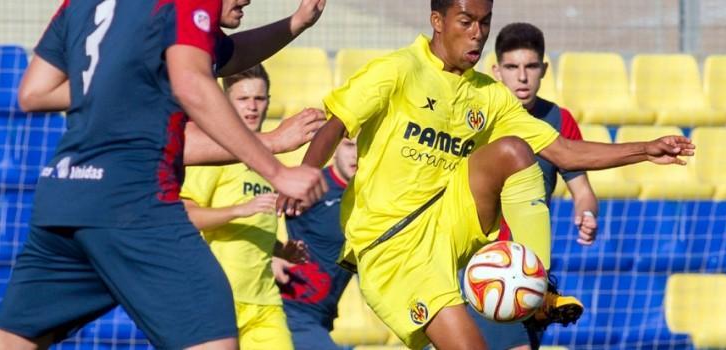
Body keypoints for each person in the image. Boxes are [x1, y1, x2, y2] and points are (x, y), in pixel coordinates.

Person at [277, 0, 695, 349]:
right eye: (466, 21)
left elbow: (562, 151)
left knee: (515, 150)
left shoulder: (489, 95)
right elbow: (336, 122)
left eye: (485, 22)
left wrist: (644, 149)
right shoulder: (397, 70)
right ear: (438, 22)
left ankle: (539, 288)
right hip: (393, 247)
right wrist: (305, 172)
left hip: (450, 222)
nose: (478, 33)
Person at [0, 0, 327, 348]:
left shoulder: (84, 4)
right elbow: (191, 83)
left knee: (9, 343)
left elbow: (34, 92)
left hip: (64, 201)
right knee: (214, 341)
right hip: (134, 204)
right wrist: (276, 169)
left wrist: (295, 23)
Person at [465, 22, 599, 350]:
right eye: (512, 67)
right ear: (496, 70)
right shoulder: (476, 117)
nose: (522, 77)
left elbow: (582, 191)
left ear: (544, 69)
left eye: (530, 66)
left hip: (531, 272)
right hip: (483, 263)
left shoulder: (559, 120)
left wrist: (588, 214)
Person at [181, 64, 321, 350]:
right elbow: (184, 216)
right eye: (243, 99)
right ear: (225, 103)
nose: (253, 107)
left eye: (260, 98)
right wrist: (238, 210)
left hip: (264, 303)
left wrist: (282, 250)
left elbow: (251, 230)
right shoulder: (212, 156)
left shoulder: (269, 162)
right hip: (217, 301)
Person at [277, 137, 357, 350]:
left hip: (321, 315)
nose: (357, 154)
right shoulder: (311, 186)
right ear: (335, 148)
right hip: (292, 309)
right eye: (350, 145)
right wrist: (273, 255)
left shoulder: (374, 196)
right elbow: (253, 220)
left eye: (364, 145)